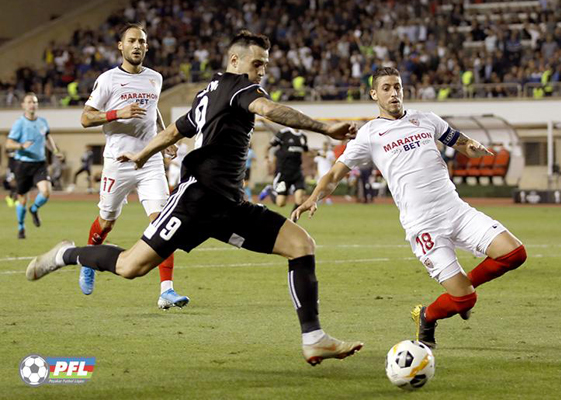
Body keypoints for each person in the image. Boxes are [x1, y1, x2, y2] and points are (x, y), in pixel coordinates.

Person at [26, 30, 363, 366]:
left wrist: (143, 155)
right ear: (235, 60)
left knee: (301, 244)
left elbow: (176, 130)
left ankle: (313, 339)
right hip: (196, 200)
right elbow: (269, 109)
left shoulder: (211, 92)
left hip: (230, 205)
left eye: (265, 64)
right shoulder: (239, 87)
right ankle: (65, 254)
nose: (262, 71)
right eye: (257, 63)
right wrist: (325, 128)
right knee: (130, 267)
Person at [292, 67, 527, 349]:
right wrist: (314, 197)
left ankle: (462, 286)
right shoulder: (369, 134)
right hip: (423, 226)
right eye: (387, 88)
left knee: (514, 253)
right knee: (465, 300)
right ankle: (427, 316)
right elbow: (334, 174)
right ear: (374, 94)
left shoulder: (426, 119)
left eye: (398, 87)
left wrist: (473, 147)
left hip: (456, 210)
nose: (394, 93)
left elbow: (461, 143)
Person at [77, 23, 189, 310]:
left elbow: (153, 112)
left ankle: (167, 290)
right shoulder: (108, 80)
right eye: (131, 41)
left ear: (147, 47)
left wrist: (165, 138)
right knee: (106, 222)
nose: (137, 45)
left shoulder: (155, 78)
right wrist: (118, 112)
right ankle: (88, 261)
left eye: (141, 41)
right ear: (121, 46)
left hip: (150, 161)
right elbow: (86, 118)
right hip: (118, 162)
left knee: (163, 223)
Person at [5, 92, 63, 239]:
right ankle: (21, 227)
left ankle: (34, 209)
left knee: (46, 192)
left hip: (40, 164)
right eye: (29, 102)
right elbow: (8, 143)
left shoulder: (42, 121)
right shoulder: (19, 123)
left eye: (35, 102)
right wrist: (21, 146)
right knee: (22, 198)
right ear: (23, 105)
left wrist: (55, 151)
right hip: (23, 164)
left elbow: (48, 138)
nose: (32, 104)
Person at [265, 122, 310, 210]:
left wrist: (319, 154)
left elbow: (307, 151)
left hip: (297, 172)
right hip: (283, 172)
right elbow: (268, 146)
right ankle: (269, 190)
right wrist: (266, 158)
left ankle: (293, 218)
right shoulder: (283, 133)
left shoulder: (303, 136)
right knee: (281, 203)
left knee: (300, 199)